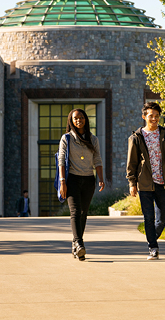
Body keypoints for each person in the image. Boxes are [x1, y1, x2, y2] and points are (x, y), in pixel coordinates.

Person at [126, 102, 165, 260]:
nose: (154, 119)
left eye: (157, 116)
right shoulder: (136, 137)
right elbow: (131, 163)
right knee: (149, 217)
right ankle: (153, 247)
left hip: (162, 182)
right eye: (151, 116)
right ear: (144, 116)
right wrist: (132, 184)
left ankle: (151, 238)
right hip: (144, 183)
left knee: (162, 218)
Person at [58, 108, 105, 261]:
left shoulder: (93, 139)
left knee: (84, 213)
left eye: (81, 117)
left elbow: (97, 160)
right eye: (75, 118)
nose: (79, 120)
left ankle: (76, 243)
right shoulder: (66, 139)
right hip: (72, 179)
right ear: (71, 121)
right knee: (76, 212)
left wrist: (101, 178)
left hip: (88, 180)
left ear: (86, 119)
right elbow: (61, 161)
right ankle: (79, 243)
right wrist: (62, 182)